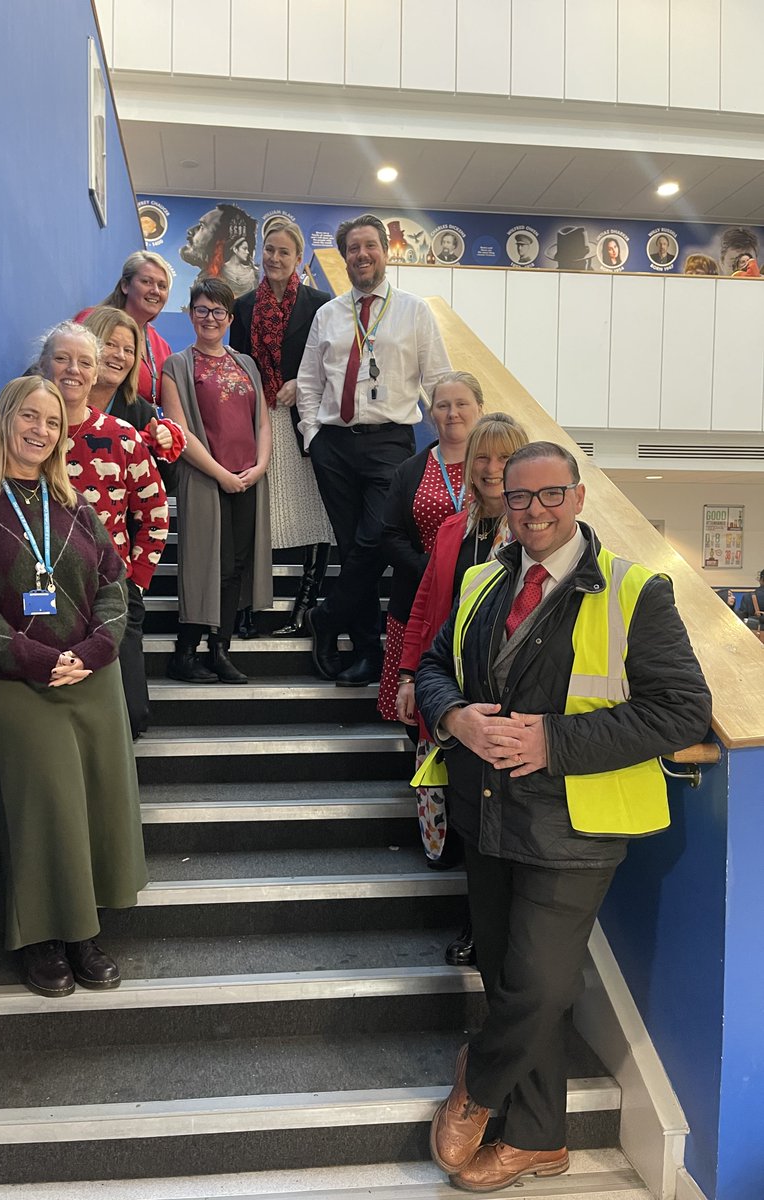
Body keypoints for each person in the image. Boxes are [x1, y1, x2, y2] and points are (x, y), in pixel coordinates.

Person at [415, 441, 711, 1192]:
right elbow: (431, 666)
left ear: (579, 498)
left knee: (542, 985)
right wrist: (456, 719)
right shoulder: (484, 579)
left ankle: (478, 1084)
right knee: (506, 975)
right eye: (519, 498)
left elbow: (682, 711)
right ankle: (539, 1141)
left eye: (550, 495)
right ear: (503, 505)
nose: (535, 510)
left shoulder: (635, 590)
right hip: (484, 814)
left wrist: (555, 739)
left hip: (575, 826)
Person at [0, 377, 147, 998]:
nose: (41, 431)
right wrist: (30, 656)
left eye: (52, 423)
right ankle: (44, 940)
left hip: (89, 676)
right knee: (44, 803)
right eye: (29, 417)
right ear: (4, 420)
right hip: (13, 682)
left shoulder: (73, 504)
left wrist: (94, 650)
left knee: (98, 799)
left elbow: (113, 582)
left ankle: (84, 930)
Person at [297, 213, 452, 687]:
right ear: (344, 257)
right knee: (351, 548)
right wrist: (312, 434)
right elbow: (309, 381)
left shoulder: (413, 311)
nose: (361, 255)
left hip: (390, 444)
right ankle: (366, 651)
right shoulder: (328, 314)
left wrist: (457, 436)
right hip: (334, 446)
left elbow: (439, 379)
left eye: (370, 246)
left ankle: (326, 617)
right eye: (353, 249)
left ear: (385, 252)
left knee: (373, 543)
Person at [399, 414, 528, 971]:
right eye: (483, 456)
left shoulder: (533, 533)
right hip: (447, 696)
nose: (492, 469)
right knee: (459, 818)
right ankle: (475, 920)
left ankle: (487, 931)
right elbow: (426, 603)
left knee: (495, 823)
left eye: (504, 458)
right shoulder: (453, 528)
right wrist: (408, 675)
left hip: (505, 700)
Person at [38, 321, 171, 739]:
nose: (72, 370)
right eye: (61, 359)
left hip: (109, 592)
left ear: (96, 373)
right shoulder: (20, 435)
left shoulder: (123, 438)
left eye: (83, 362)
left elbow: (154, 511)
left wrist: (136, 577)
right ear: (42, 367)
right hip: (42, 591)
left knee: (129, 714)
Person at [161, 278, 273, 684]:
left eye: (218, 311)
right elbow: (179, 429)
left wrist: (259, 468)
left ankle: (220, 648)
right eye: (202, 309)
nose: (210, 318)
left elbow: (262, 421)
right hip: (206, 478)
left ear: (229, 317)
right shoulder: (176, 365)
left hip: (247, 479)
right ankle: (185, 651)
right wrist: (221, 474)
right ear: (190, 314)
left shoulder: (246, 364)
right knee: (202, 562)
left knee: (234, 567)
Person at [230, 218, 334, 637]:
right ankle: (251, 607)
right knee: (260, 516)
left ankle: (304, 608)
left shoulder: (320, 303)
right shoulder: (242, 307)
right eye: (269, 249)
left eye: (284, 252)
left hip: (304, 420)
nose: (274, 258)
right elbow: (234, 363)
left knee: (314, 516)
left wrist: (302, 381)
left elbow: (336, 362)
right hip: (259, 421)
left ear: (298, 258)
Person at [378, 373, 484, 732]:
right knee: (415, 708)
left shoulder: (497, 470)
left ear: (480, 410)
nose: (452, 413)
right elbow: (390, 535)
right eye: (442, 405)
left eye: (461, 404)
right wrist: (432, 569)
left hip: (480, 601)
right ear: (431, 414)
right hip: (417, 603)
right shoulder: (409, 470)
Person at [81, 305, 186, 468]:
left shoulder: (141, 413)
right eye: (110, 344)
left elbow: (168, 481)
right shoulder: (56, 394)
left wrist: (162, 445)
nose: (120, 355)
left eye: (129, 350)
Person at [76, 251, 173, 410]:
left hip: (139, 429)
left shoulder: (162, 347)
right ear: (125, 285)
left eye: (162, 286)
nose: (155, 290)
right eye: (147, 282)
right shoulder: (91, 320)